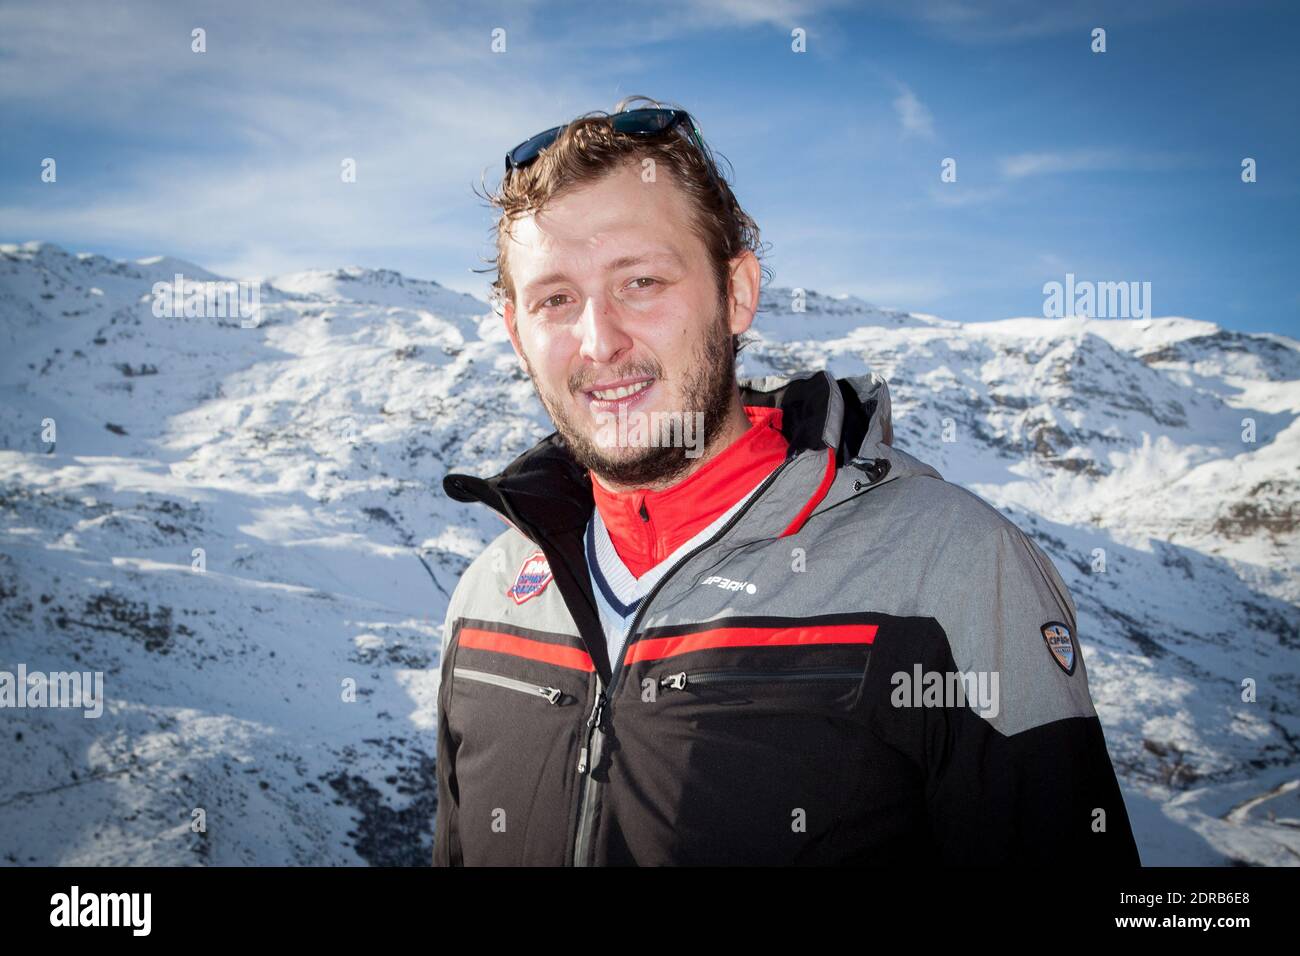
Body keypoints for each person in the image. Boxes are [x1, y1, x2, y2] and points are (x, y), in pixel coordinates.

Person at [432, 95, 1140, 866]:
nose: (599, 341)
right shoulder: (489, 597)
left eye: (641, 282)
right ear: (515, 330)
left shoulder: (948, 571)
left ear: (737, 294)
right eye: (556, 300)